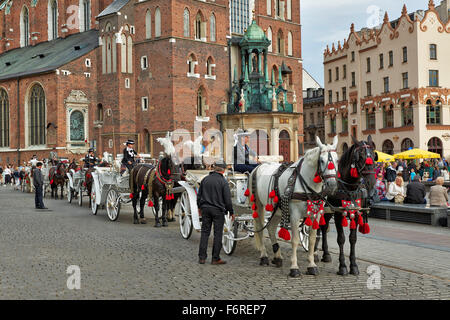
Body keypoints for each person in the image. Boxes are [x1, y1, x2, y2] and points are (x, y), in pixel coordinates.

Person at [197, 161, 234, 265]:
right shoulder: (223, 182)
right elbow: (227, 199)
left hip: (205, 209)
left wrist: (199, 207)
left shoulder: (205, 179)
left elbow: (199, 196)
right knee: (218, 234)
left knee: (205, 233)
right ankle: (215, 258)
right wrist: (231, 212)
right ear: (223, 170)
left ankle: (202, 258)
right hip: (218, 210)